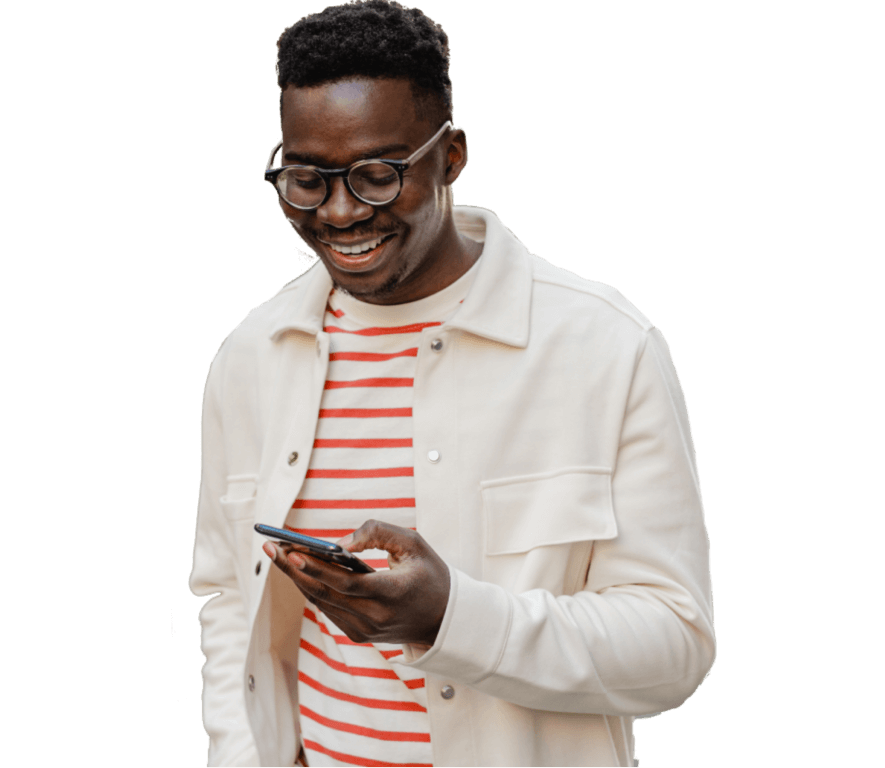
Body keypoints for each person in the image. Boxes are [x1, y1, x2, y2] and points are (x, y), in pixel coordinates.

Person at [189, 1, 716, 766]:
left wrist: (452, 620)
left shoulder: (606, 346)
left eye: (377, 175)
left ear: (453, 156)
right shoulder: (249, 357)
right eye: (306, 179)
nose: (339, 213)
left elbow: (674, 647)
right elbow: (230, 596)